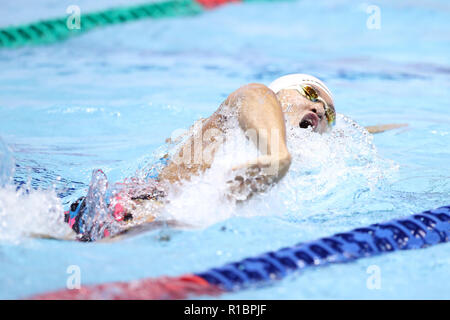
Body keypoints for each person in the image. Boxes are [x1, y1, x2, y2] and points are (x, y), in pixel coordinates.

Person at [65, 74, 406, 241]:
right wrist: (277, 158)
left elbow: (347, 129)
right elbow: (254, 94)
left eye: (327, 113)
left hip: (133, 237)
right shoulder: (230, 127)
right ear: (279, 94)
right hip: (120, 216)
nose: (319, 107)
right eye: (310, 93)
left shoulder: (302, 160)